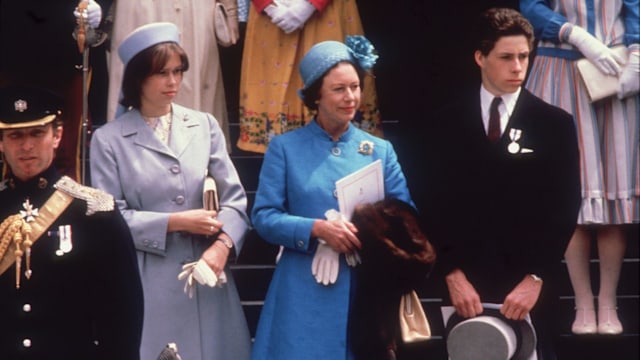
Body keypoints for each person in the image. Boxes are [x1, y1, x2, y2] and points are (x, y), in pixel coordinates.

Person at [421, 7, 581, 358]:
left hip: (527, 290)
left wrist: (536, 278)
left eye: (524, 56)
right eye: (506, 57)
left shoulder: (554, 124)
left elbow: (565, 207)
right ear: (480, 57)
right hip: (462, 290)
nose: (518, 67)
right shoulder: (443, 124)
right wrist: (451, 274)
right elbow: (430, 202)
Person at [89, 22, 252, 360]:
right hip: (147, 283)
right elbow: (110, 218)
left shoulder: (205, 125)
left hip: (209, 279)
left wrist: (222, 248)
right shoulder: (108, 140)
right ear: (137, 77)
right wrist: (176, 222)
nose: (173, 81)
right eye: (161, 73)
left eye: (178, 71)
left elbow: (235, 201)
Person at [250, 36, 414, 359]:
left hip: (364, 289)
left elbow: (406, 217)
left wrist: (368, 227)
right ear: (316, 95)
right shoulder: (285, 149)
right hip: (303, 289)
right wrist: (317, 230)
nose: (351, 97)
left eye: (355, 87)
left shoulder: (379, 150)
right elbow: (264, 217)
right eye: (339, 89)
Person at [520, 0, 639, 336]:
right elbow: (529, 7)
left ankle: (608, 300)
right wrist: (573, 33)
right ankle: (582, 300)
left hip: (613, 71)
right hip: (561, 69)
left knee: (613, 185)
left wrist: (638, 52)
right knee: (573, 187)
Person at [0, 85, 143, 359]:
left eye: (37, 133)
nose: (27, 145)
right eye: (15, 135)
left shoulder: (94, 212)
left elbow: (121, 315)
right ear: (1, 143)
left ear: (58, 136)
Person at [237, 0, 382, 153]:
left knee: (334, 79)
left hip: (326, 13)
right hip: (272, 19)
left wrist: (309, 5)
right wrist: (270, 7)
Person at [0, 0, 110, 181]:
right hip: (11, 44)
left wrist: (99, 5)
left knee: (65, 147)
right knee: (13, 140)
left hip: (66, 48)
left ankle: (69, 208)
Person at [103, 0, 235, 149]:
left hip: (195, 9)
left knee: (191, 75)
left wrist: (230, 12)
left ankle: (196, 155)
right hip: (140, 8)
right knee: (142, 65)